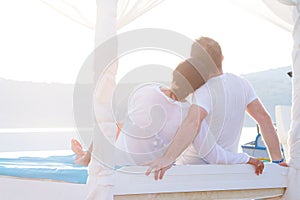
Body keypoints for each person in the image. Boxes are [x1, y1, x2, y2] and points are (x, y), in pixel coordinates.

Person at [146, 37, 288, 180]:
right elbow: (264, 119)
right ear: (222, 58)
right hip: (228, 171)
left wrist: (168, 158)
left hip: (193, 172)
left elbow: (192, 123)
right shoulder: (242, 84)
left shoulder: (202, 91)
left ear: (196, 63)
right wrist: (277, 161)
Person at [72, 58, 256, 167]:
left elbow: (213, 153)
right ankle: (84, 156)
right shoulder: (147, 92)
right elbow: (215, 155)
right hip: (127, 170)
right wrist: (247, 159)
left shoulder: (185, 113)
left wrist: (246, 158)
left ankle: (85, 156)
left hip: (129, 171)